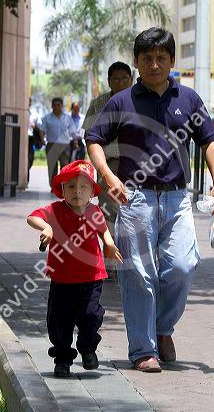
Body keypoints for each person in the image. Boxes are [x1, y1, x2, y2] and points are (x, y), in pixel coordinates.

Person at [85, 27, 214, 373]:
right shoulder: (122, 101)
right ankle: (143, 349)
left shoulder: (189, 100)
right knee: (138, 274)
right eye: (147, 58)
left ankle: (162, 329)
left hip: (177, 199)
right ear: (136, 62)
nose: (154, 64)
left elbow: (209, 140)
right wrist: (108, 176)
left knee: (182, 266)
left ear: (172, 61)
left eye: (161, 58)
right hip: (135, 200)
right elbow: (94, 139)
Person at [27, 160, 123, 378]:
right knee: (60, 321)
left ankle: (88, 348)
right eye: (70, 187)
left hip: (91, 278)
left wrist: (108, 243)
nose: (77, 192)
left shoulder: (95, 211)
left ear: (92, 191)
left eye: (83, 187)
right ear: (62, 189)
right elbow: (32, 217)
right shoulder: (55, 210)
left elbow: (103, 231)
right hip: (62, 280)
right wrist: (47, 227)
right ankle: (62, 359)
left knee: (90, 315)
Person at [83, 61, 133, 279]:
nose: (120, 82)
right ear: (109, 81)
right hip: (109, 165)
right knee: (109, 215)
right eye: (116, 79)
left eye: (124, 78)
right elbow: (90, 137)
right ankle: (111, 263)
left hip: (136, 165)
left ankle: (134, 262)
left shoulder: (139, 100)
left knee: (135, 213)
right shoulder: (99, 103)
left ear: (130, 79)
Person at [39, 97, 75, 187]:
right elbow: (42, 129)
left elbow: (73, 131)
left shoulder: (67, 118)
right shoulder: (47, 118)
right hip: (51, 144)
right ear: (51, 106)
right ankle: (54, 187)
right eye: (54, 105)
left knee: (65, 167)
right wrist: (43, 140)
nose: (56, 107)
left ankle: (63, 187)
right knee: (52, 167)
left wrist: (75, 142)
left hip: (65, 146)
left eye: (58, 105)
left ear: (62, 106)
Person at [27, 98, 42, 183]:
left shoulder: (34, 114)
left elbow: (40, 127)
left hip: (30, 139)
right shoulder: (19, 112)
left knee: (30, 159)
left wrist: (35, 127)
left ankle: (26, 175)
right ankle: (25, 179)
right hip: (21, 138)